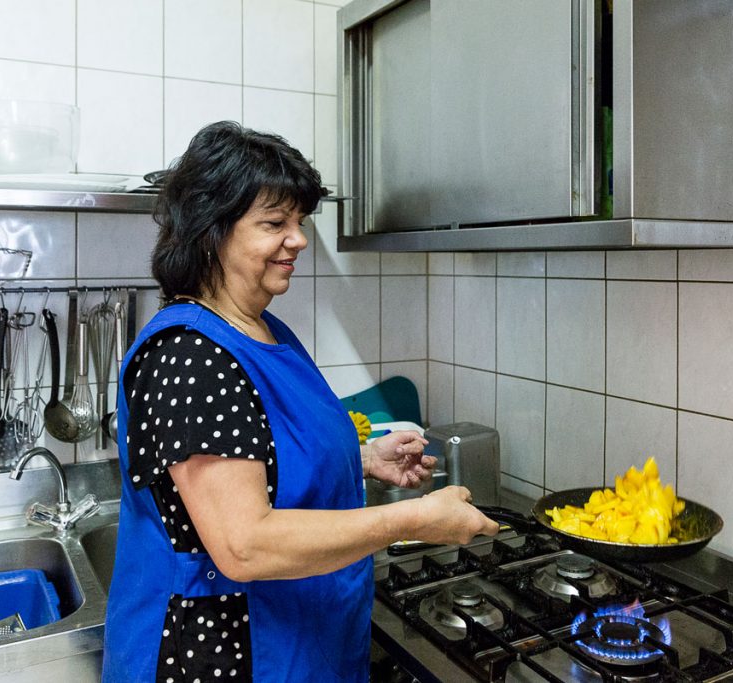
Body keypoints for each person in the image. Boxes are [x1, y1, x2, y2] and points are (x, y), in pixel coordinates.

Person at [102, 121, 498, 683]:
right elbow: (245, 544)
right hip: (229, 655)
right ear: (212, 231)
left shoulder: (265, 331)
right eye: (274, 223)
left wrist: (360, 458)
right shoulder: (190, 354)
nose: (300, 239)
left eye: (300, 221)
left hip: (306, 643)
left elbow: (259, 458)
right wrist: (410, 519)